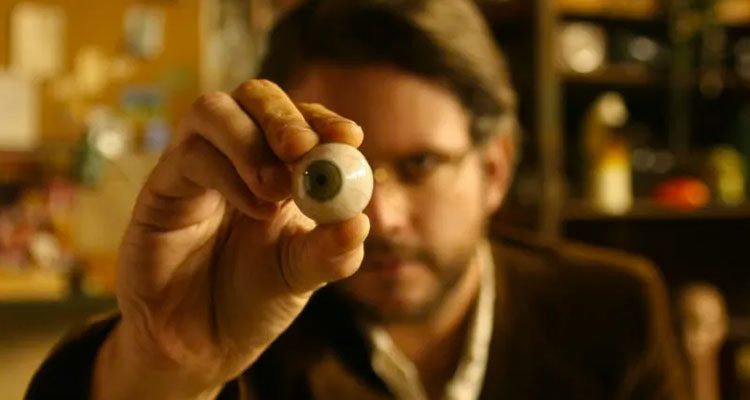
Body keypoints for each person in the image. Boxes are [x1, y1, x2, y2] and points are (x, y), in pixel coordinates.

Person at [27, 0, 688, 398]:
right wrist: (164, 364)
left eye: (421, 164)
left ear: (495, 169)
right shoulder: (247, 330)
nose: (380, 218)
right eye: (341, 172)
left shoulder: (615, 314)